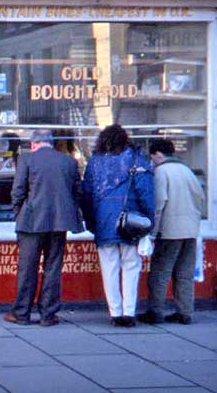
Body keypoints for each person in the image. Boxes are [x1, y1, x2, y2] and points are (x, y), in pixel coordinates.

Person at [3, 129, 83, 327]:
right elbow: (77, 192)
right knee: (53, 267)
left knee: (27, 268)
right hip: (59, 223)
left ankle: (21, 313)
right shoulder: (69, 162)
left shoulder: (26, 160)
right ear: (51, 143)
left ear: (33, 144)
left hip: (31, 223)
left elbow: (18, 191)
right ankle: (48, 314)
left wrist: (18, 214)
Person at [81, 124, 154, 327]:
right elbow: (145, 192)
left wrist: (91, 220)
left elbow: (86, 194)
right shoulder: (135, 159)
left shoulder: (94, 163)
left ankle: (115, 313)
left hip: (103, 221)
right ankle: (128, 313)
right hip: (131, 221)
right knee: (131, 266)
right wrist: (149, 220)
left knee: (109, 267)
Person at [139, 139, 206, 325]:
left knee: (160, 272)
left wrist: (152, 231)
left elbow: (159, 204)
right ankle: (185, 312)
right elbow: (201, 197)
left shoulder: (161, 172)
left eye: (152, 157)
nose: (151, 161)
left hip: (170, 230)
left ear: (158, 154)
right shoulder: (187, 170)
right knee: (184, 273)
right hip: (191, 230)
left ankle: (155, 311)